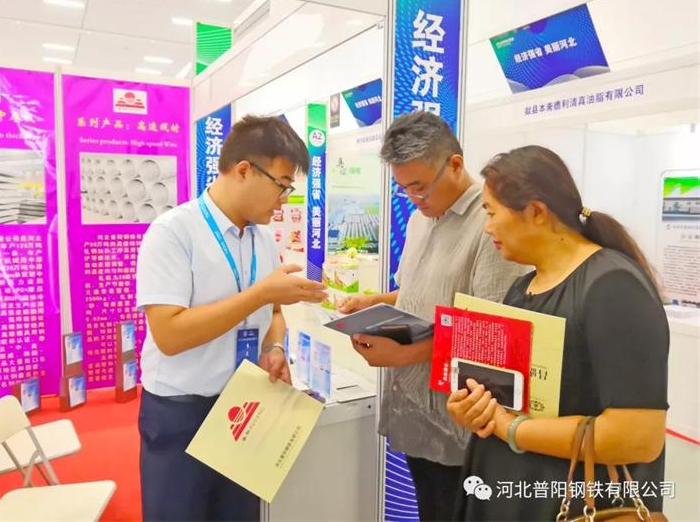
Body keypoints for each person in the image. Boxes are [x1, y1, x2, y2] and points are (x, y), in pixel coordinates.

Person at [448, 145, 668, 520]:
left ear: (536, 212)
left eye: (492, 213)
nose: (487, 227)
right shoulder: (522, 288)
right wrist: (475, 409)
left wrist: (510, 428)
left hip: (572, 502)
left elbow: (638, 436)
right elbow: (511, 396)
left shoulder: (613, 287)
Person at [135, 115, 326, 522]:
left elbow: (274, 312)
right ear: (243, 171)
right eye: (281, 185)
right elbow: (169, 334)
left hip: (244, 405)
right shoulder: (173, 233)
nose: (284, 199)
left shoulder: (262, 238)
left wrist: (274, 347)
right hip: (181, 414)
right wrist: (259, 294)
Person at [338, 111, 527, 521]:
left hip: (460, 423)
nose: (413, 198)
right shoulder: (421, 219)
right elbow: (418, 290)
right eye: (404, 188)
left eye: (420, 187)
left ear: (455, 164)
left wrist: (406, 353)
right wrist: (377, 302)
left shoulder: (489, 226)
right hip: (414, 410)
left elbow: (497, 332)